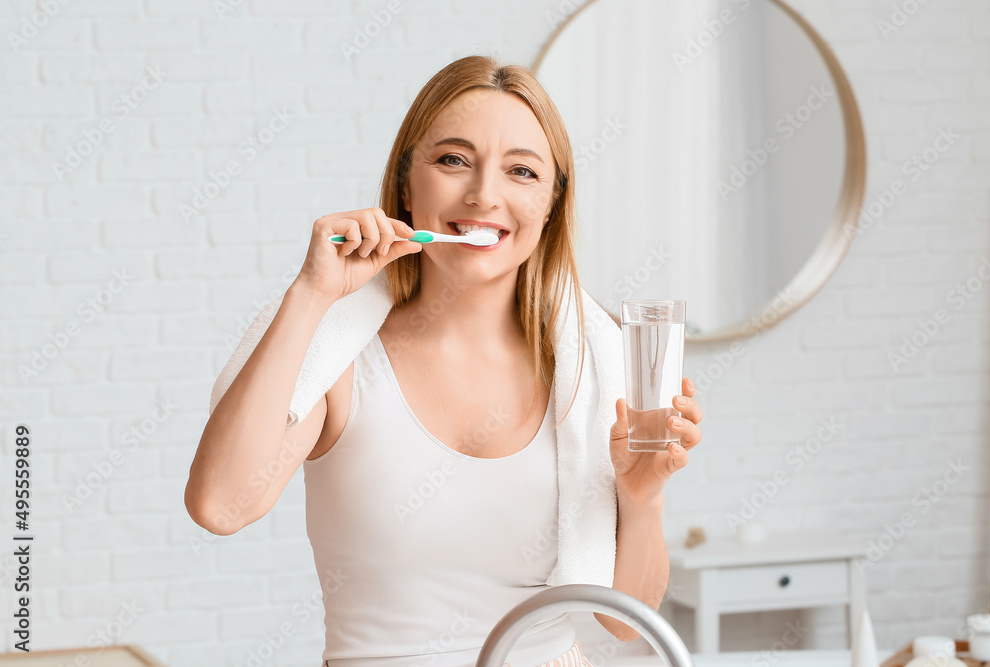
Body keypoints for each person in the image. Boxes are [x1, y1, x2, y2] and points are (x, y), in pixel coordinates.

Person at [185, 54, 703, 666]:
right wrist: (311, 295)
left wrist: (642, 498)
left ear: (551, 205)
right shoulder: (343, 358)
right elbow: (220, 505)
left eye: (522, 172)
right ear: (407, 183)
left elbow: (625, 624)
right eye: (453, 160)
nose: (484, 194)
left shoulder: (593, 368)